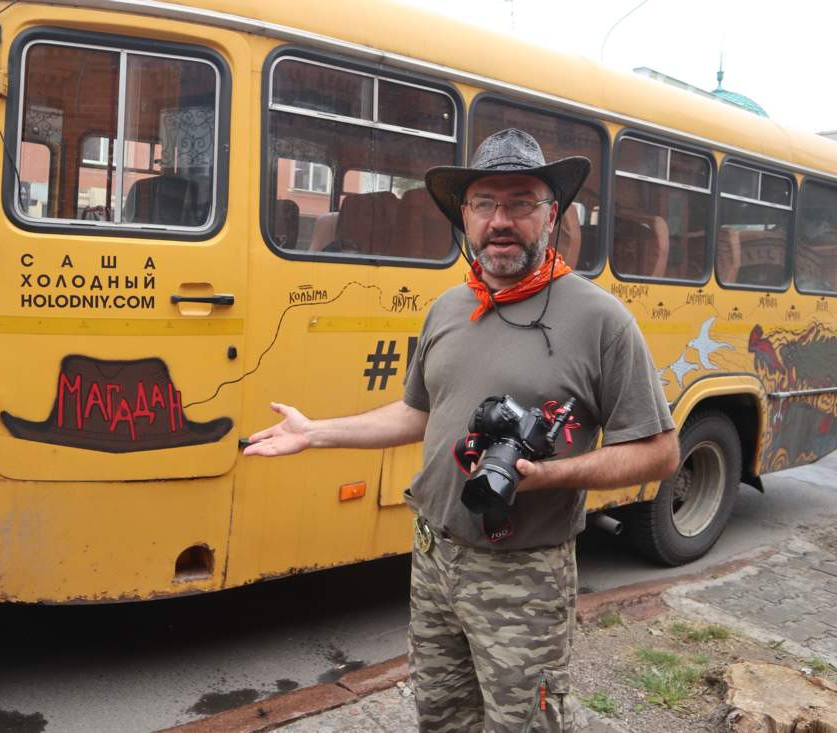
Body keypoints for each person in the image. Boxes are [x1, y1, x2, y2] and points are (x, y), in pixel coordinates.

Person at [243, 128, 679, 732]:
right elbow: (417, 413)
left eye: (521, 202)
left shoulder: (600, 319)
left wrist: (545, 476)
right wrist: (316, 433)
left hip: (524, 575)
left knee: (524, 723)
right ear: (466, 217)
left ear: (551, 216)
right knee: (441, 715)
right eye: (484, 204)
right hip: (434, 555)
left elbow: (659, 453)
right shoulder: (450, 306)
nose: (501, 220)